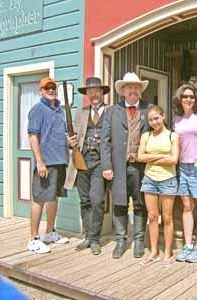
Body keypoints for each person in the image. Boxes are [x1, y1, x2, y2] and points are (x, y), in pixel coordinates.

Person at [101, 72, 151, 259]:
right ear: (122, 91)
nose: (133, 90)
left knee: (140, 204)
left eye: (136, 87)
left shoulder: (149, 109)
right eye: (129, 87)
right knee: (120, 203)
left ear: (140, 90)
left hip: (141, 167)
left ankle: (138, 240)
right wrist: (106, 165)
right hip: (118, 167)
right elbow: (104, 141)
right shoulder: (112, 111)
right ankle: (121, 240)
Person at [65, 77, 110, 255]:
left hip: (101, 162)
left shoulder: (111, 111)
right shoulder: (80, 112)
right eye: (90, 92)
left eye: (96, 91)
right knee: (84, 200)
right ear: (87, 94)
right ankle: (88, 237)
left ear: (102, 92)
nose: (93, 94)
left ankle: (95, 238)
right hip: (82, 161)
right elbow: (73, 137)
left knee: (97, 201)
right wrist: (70, 141)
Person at [27, 77, 69, 254]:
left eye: (53, 87)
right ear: (41, 91)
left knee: (54, 198)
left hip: (60, 161)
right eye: (47, 88)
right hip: (46, 163)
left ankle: (50, 232)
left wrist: (69, 140)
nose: (51, 90)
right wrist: (40, 161)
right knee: (39, 199)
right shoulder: (37, 109)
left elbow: (59, 134)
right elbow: (33, 136)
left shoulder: (60, 110)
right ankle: (33, 239)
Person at [137, 105, 180, 266]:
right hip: (149, 179)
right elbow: (140, 157)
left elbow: (174, 159)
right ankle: (154, 251)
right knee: (152, 216)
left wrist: (152, 157)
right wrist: (163, 155)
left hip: (167, 179)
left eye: (156, 118)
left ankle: (167, 252)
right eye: (151, 119)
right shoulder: (146, 136)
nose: (154, 122)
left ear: (163, 116)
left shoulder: (172, 136)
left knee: (167, 217)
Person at [173, 84, 197, 263]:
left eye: (192, 97)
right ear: (180, 99)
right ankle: (187, 245)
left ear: (196, 99)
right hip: (182, 168)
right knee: (187, 208)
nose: (189, 99)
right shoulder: (177, 120)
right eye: (185, 96)